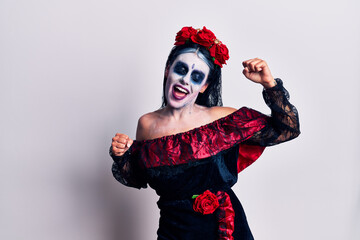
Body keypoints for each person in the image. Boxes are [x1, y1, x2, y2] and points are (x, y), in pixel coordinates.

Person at [110, 26, 300, 240]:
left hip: (225, 229)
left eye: (197, 76)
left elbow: (288, 129)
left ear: (204, 86)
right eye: (181, 70)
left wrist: (269, 84)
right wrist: (121, 154)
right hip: (174, 233)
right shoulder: (147, 124)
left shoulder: (223, 120)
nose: (185, 80)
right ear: (168, 70)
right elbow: (137, 177)